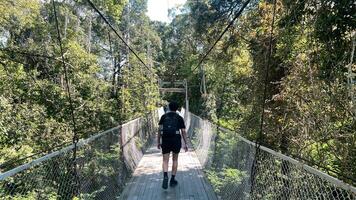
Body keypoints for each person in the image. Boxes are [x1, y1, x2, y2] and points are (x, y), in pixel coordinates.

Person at [157, 101, 188, 189]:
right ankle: (172, 179)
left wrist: (158, 142)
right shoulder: (179, 118)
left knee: (165, 160)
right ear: (177, 109)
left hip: (166, 140)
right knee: (175, 160)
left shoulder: (163, 117)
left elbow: (159, 130)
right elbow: (183, 131)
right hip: (176, 139)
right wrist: (186, 143)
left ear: (169, 108)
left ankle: (165, 176)